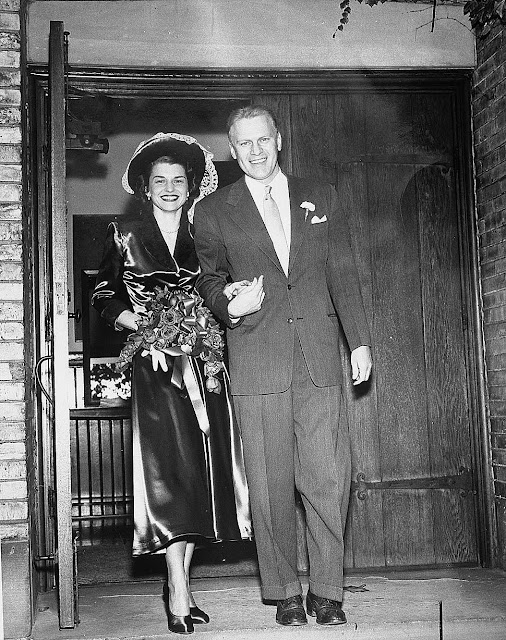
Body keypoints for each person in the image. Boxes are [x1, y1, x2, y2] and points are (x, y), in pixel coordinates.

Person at [193, 105, 372, 627]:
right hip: (257, 357)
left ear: (278, 140)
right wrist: (229, 303)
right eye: (243, 143)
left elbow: (342, 269)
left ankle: (328, 592)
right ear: (232, 150)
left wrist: (359, 341)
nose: (255, 151)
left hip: (318, 358)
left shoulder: (321, 195)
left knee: (327, 479)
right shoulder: (214, 211)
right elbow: (208, 278)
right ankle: (285, 592)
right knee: (270, 484)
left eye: (262, 140)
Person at [91, 133, 251, 635]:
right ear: (145, 186)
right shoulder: (124, 233)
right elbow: (102, 294)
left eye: (178, 180)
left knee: (199, 478)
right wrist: (142, 325)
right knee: (170, 479)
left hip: (205, 364)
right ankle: (178, 588)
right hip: (156, 367)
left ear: (191, 186)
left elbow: (219, 284)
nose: (169, 188)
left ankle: (180, 583)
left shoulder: (206, 230)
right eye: (159, 180)